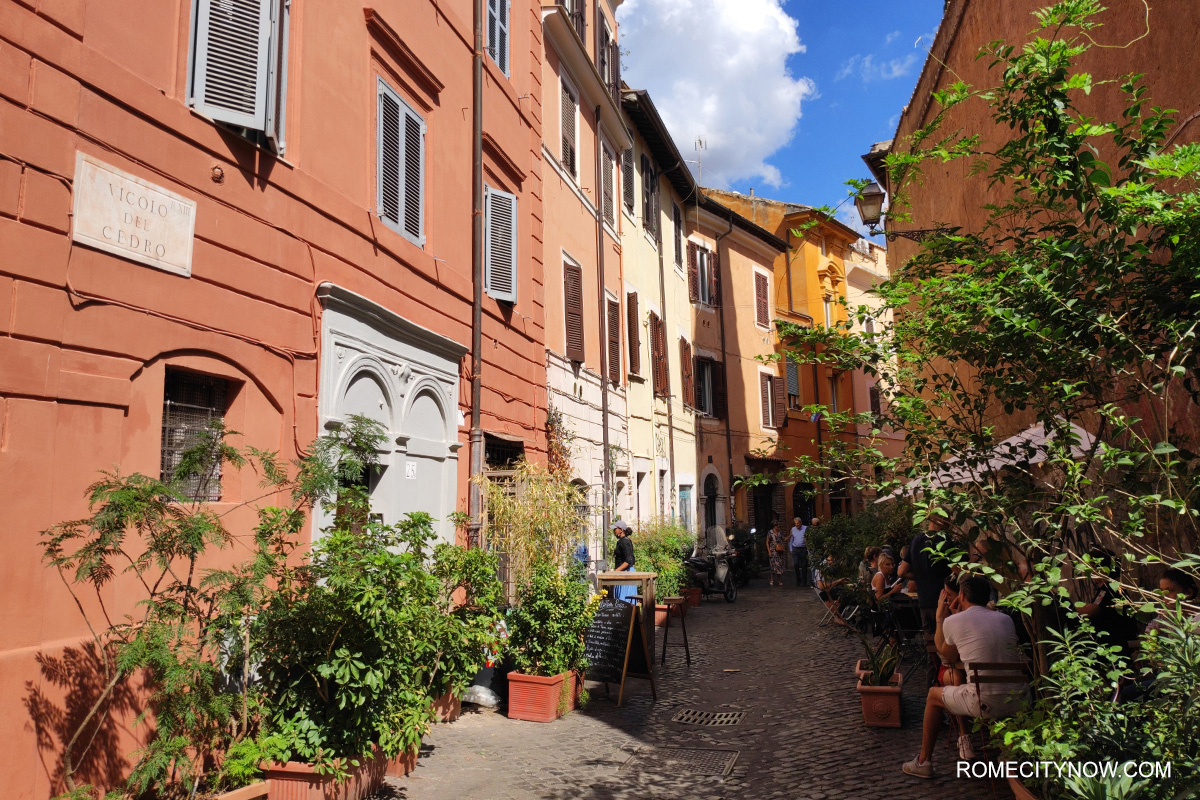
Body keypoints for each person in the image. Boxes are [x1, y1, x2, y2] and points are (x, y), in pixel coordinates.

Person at [902, 576, 1029, 779]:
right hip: (1020, 698)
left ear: (961, 595)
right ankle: (1007, 755)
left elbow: (946, 657)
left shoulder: (954, 620)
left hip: (984, 701)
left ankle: (923, 761)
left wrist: (940, 619)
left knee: (933, 696)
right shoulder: (1005, 619)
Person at [899, 515, 956, 687]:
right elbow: (956, 570)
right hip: (944, 600)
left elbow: (901, 572)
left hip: (924, 601)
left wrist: (920, 577)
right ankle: (947, 682)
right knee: (948, 646)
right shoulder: (946, 541)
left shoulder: (916, 541)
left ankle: (932, 683)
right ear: (942, 521)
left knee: (930, 646)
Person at [611, 520, 637, 604]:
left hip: (626, 574)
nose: (614, 530)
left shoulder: (625, 542)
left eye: (615, 528)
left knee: (624, 601)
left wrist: (616, 571)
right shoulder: (621, 541)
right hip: (622, 573)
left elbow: (629, 560)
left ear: (621, 530)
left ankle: (628, 617)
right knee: (620, 600)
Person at [789, 516, 810, 587]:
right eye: (795, 523)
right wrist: (791, 549)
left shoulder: (806, 528)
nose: (796, 525)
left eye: (797, 523)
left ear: (800, 523)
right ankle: (798, 579)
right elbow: (791, 539)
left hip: (803, 549)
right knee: (796, 564)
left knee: (804, 565)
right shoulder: (793, 529)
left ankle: (804, 581)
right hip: (796, 549)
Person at [766, 520, 786, 587]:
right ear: (774, 526)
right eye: (777, 525)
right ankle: (772, 580)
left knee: (779, 566)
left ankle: (779, 580)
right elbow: (767, 542)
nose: (778, 526)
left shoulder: (780, 532)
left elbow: (784, 539)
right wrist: (769, 551)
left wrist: (790, 535)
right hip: (773, 551)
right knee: (773, 567)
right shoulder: (770, 532)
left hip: (779, 551)